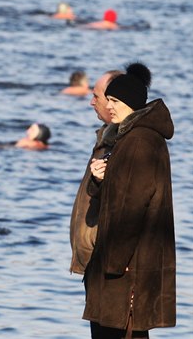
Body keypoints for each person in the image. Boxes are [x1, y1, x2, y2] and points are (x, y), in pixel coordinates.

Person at [85, 63, 176, 338]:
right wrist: (101, 181)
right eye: (108, 100)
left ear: (129, 102)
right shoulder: (131, 137)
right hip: (124, 266)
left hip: (126, 271)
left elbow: (132, 207)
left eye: (113, 101)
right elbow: (122, 195)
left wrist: (113, 262)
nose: (108, 107)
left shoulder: (138, 142)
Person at [69, 69, 123, 275]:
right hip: (95, 260)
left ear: (113, 100)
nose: (92, 102)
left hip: (105, 260)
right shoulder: (105, 137)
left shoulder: (123, 142)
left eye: (96, 96)